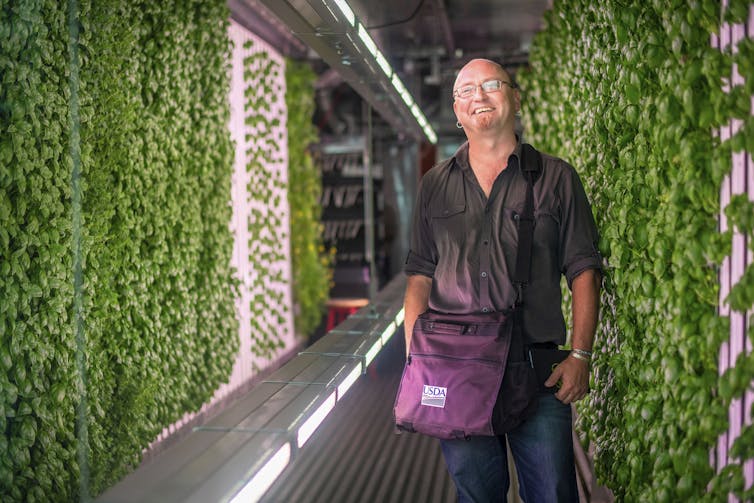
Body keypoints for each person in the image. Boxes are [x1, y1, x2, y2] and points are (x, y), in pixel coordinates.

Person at [403, 58, 602, 502]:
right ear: (456, 113)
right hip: (456, 370)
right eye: (466, 90)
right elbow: (419, 276)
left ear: (514, 97)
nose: (479, 95)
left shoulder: (557, 178)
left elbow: (584, 270)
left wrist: (582, 355)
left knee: (553, 494)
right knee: (476, 496)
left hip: (539, 373)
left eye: (491, 85)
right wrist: (418, 359)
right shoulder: (434, 186)